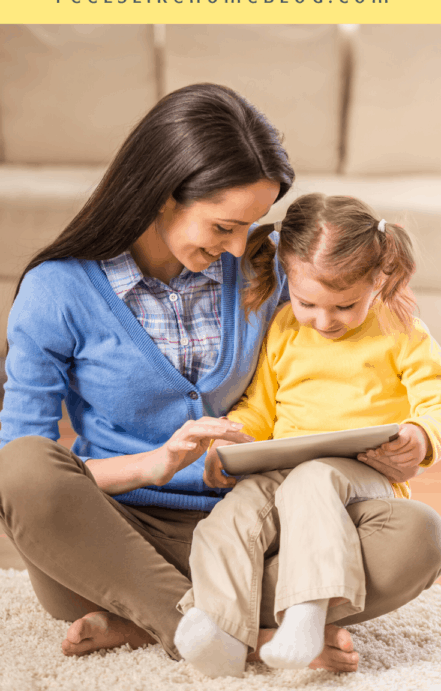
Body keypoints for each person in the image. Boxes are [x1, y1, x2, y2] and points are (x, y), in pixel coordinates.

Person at [0, 91, 439, 675]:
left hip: (264, 528)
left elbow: (366, 316)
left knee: (416, 536)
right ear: (161, 194)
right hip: (121, 536)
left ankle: (164, 620)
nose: (240, 246)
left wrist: (411, 438)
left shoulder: (273, 265)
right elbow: (16, 466)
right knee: (24, 468)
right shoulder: (58, 291)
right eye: (225, 225)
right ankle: (236, 631)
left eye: (253, 225)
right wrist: (152, 465)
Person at [175, 193, 441, 677]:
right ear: (287, 280)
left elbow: (435, 398)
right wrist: (232, 443)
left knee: (313, 479)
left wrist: (421, 438)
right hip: (282, 466)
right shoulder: (282, 329)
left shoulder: (400, 328)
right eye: (307, 304)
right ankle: (220, 628)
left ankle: (306, 610)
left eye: (344, 305)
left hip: (365, 473)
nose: (324, 320)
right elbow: (260, 405)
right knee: (229, 516)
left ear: (377, 278)